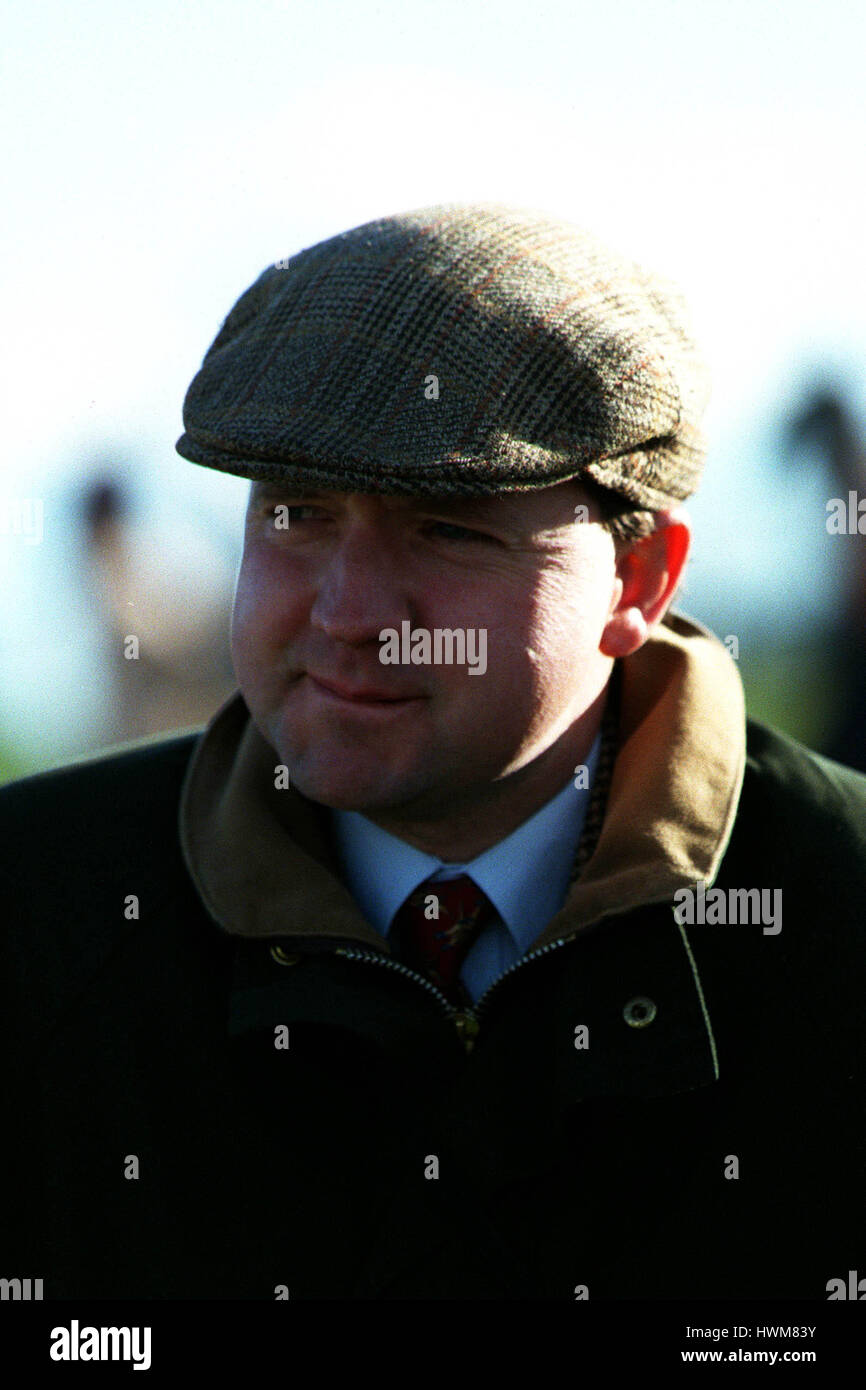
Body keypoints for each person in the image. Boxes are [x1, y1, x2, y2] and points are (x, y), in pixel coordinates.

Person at [2, 203, 864, 1302]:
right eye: (297, 514)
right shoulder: (34, 919)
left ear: (638, 581)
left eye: (449, 526)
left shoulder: (837, 916)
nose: (350, 610)